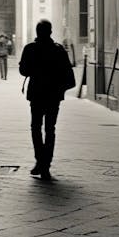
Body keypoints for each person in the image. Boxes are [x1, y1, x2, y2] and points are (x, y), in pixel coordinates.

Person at [19, 19, 75, 180]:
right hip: (53, 95)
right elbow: (68, 75)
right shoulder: (58, 50)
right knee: (50, 129)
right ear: (50, 32)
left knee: (36, 127)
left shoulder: (30, 49)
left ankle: (40, 161)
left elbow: (23, 71)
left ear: (37, 32)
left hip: (36, 94)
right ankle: (46, 165)